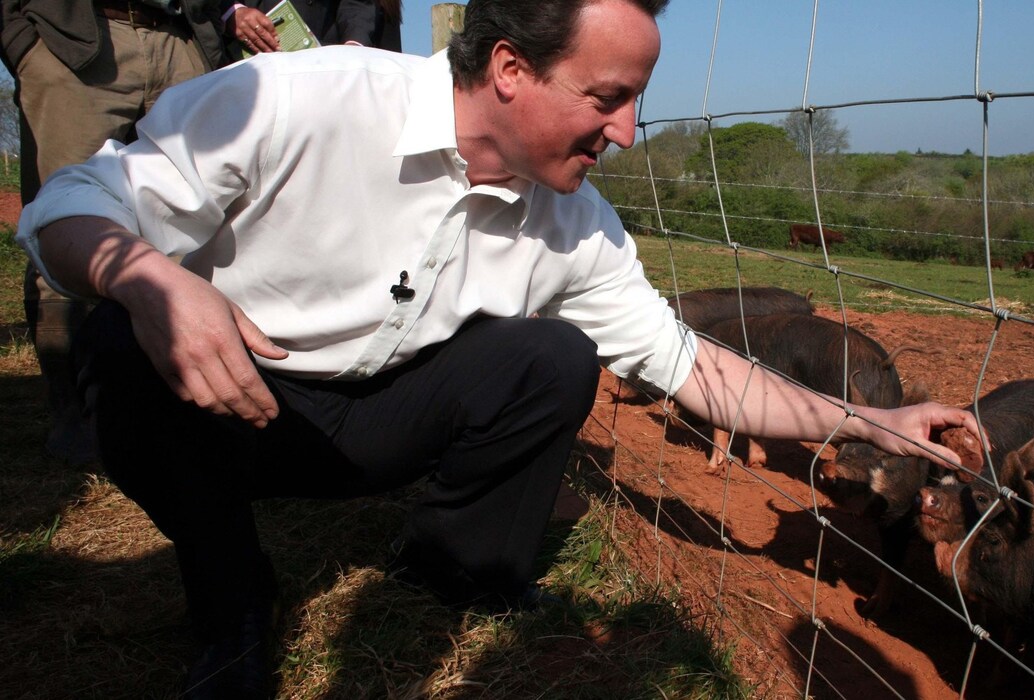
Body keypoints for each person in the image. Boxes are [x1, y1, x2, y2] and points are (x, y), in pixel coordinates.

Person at [16, 0, 982, 696]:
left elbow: (695, 368)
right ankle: (232, 604)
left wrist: (872, 421)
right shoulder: (299, 98)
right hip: (234, 401)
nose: (630, 132)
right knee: (118, 339)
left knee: (555, 359)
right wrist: (151, 279)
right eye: (609, 97)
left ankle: (450, 564)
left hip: (378, 416)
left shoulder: (579, 224)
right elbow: (72, 204)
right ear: (511, 69)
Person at [0, 0, 227, 464]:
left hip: (181, 40)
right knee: (67, 224)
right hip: (78, 38)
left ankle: (186, 400)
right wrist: (23, 41)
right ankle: (79, 413)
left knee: (200, 224)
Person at [221, 0, 375, 59]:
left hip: (319, 63)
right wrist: (231, 12)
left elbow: (356, 4)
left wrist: (355, 45)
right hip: (239, 60)